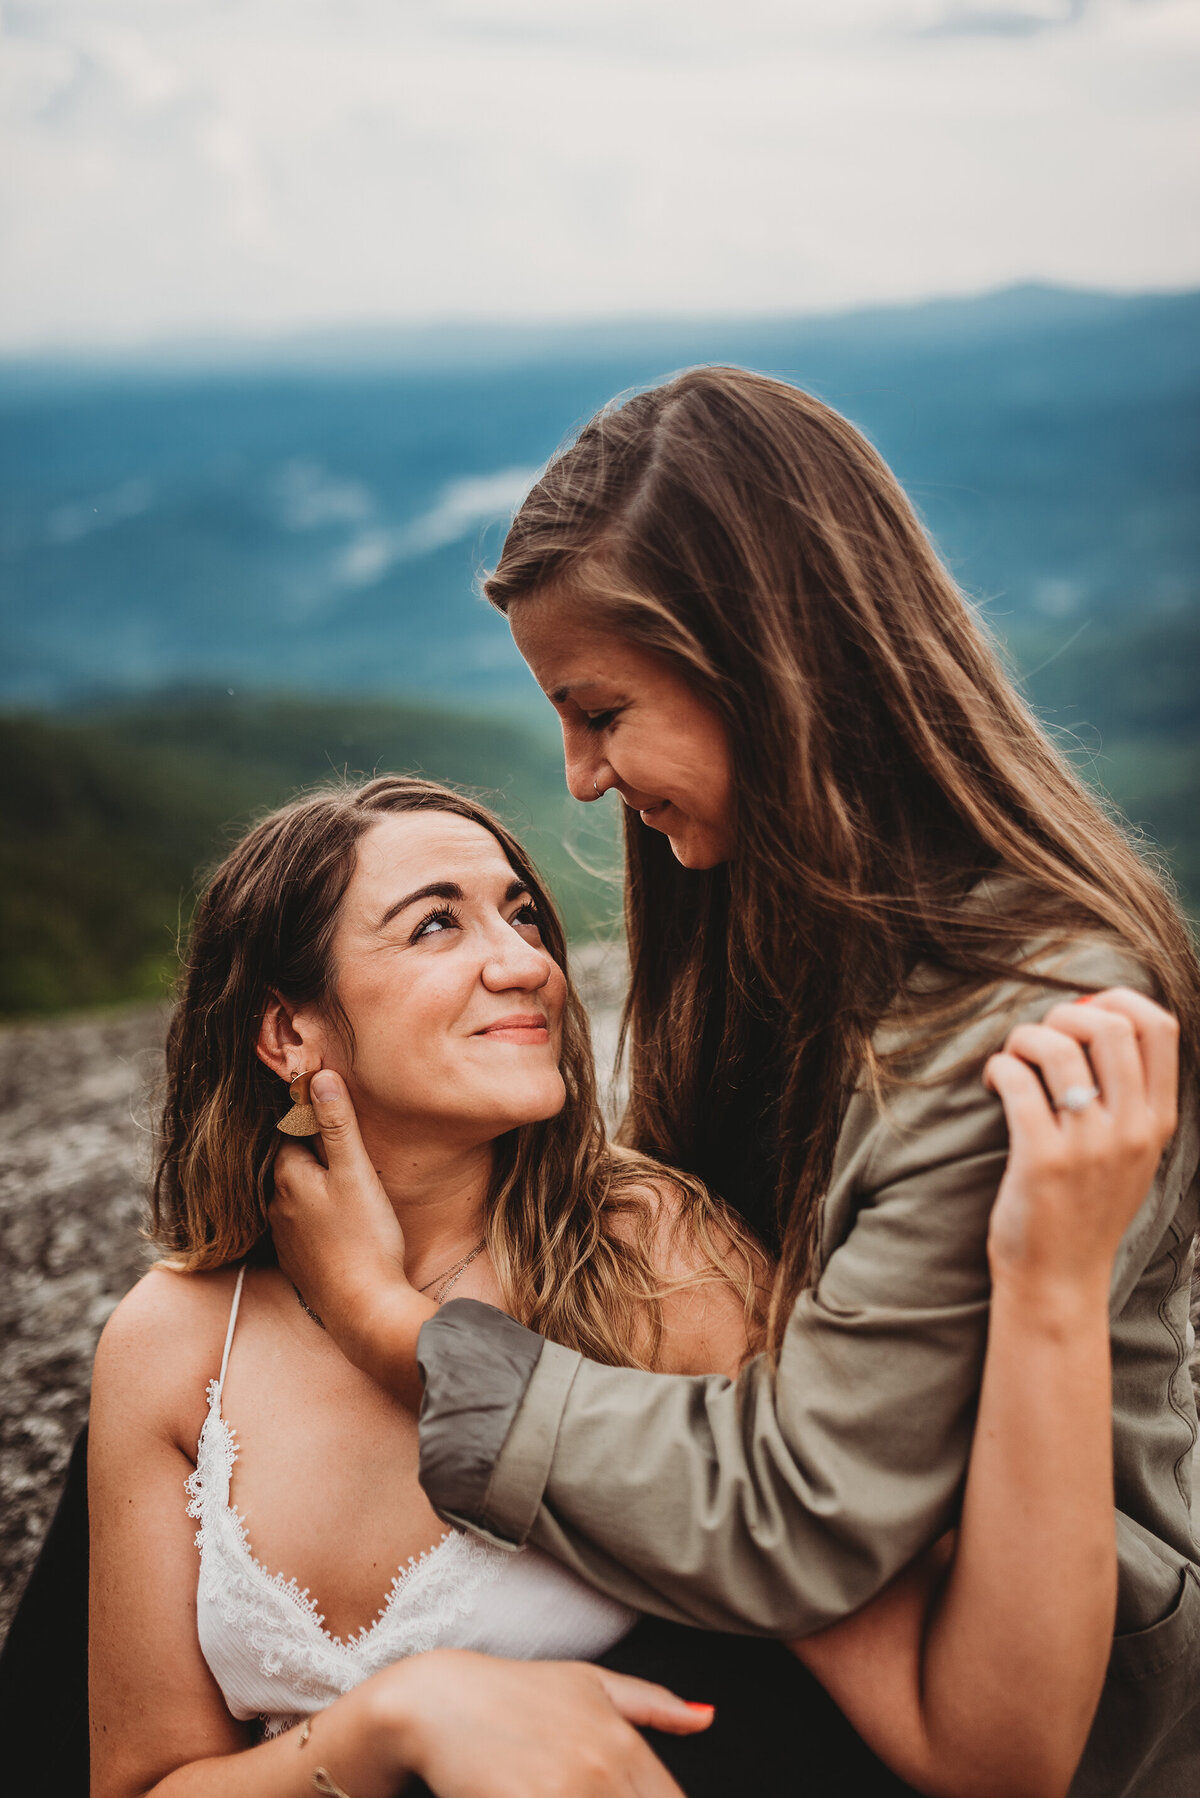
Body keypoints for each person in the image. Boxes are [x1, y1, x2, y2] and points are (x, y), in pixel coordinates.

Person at [270, 368, 1200, 1798]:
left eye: (600, 710)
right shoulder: (764, 909)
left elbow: (803, 1501)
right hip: (813, 1621)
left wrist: (393, 1323)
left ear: (760, 661)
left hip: (1008, 1665)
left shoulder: (1037, 1019)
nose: (578, 777)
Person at [89, 774, 1175, 1798]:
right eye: (436, 923)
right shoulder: (178, 1338)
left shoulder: (649, 1260)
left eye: (522, 915)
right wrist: (395, 1721)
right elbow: (142, 1779)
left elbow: (957, 1721)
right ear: (288, 1031)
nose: (527, 963)